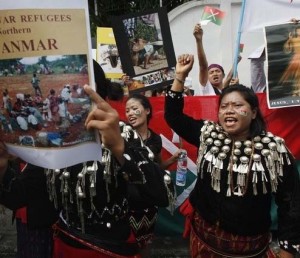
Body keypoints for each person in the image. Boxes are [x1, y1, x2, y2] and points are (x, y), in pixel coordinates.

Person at [0, 84, 173, 258]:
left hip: (113, 247)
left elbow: (162, 193)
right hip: (67, 245)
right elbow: (15, 196)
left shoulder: (119, 132)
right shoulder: (54, 138)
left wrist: (120, 147)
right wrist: (2, 167)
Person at [164, 53, 300, 258]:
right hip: (202, 236)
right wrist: (179, 77)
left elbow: (291, 202)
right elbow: (173, 117)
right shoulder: (208, 134)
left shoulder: (273, 150)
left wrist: (288, 250)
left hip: (247, 247)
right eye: (224, 106)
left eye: (238, 106)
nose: (229, 111)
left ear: (253, 112)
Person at [125, 93, 178, 257]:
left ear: (147, 110)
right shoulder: (123, 137)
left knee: (146, 244)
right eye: (127, 111)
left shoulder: (155, 139)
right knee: (129, 245)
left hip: (149, 200)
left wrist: (173, 159)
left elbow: (157, 167)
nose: (130, 113)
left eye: (134, 108)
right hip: (129, 201)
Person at [193, 23, 239, 95]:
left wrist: (236, 61)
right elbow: (203, 66)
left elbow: (229, 77)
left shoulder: (226, 92)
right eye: (211, 72)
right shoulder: (206, 88)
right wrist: (199, 41)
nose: (215, 74)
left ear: (223, 75)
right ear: (206, 77)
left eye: (217, 71)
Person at [279, 23, 300, 96]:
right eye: (298, 31)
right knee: (295, 76)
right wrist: (289, 39)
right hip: (296, 59)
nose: (299, 32)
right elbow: (287, 49)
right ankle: (296, 91)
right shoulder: (293, 39)